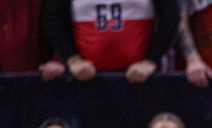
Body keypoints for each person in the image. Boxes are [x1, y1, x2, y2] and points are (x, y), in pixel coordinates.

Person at [44, 0, 179, 84]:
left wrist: (151, 60)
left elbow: (170, 17)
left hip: (140, 78)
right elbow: (53, 18)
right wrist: (72, 59)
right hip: (87, 78)